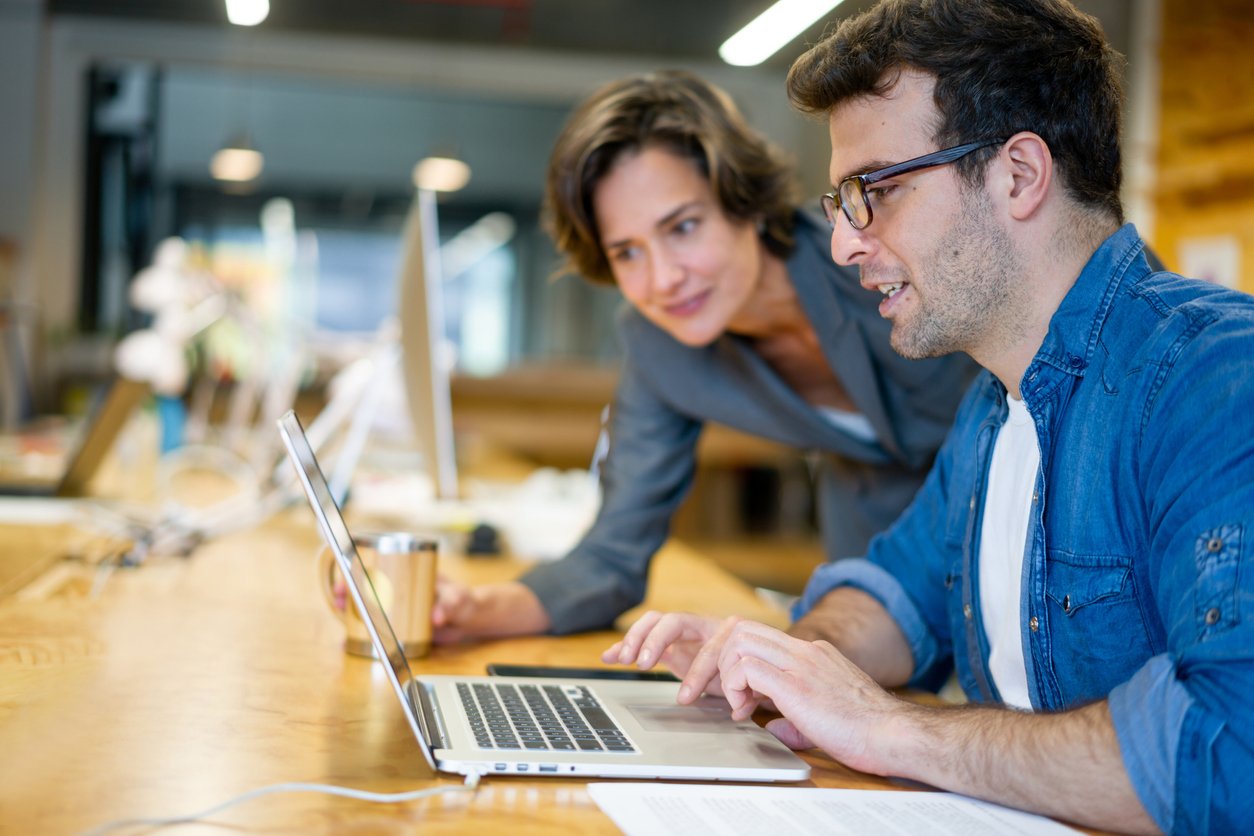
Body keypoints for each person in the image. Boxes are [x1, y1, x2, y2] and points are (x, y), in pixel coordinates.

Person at [604, 1, 1254, 833]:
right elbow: (900, 594)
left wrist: (889, 729)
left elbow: (1229, 755)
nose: (843, 243)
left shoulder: (1216, 379)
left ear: (1018, 176)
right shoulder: (993, 400)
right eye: (842, 199)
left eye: (875, 190)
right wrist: (783, 663)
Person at [431, 71, 977, 641]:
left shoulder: (869, 261)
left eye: (683, 227)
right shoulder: (658, 343)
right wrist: (476, 609)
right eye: (627, 252)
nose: (663, 279)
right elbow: (614, 551)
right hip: (875, 530)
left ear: (747, 205)